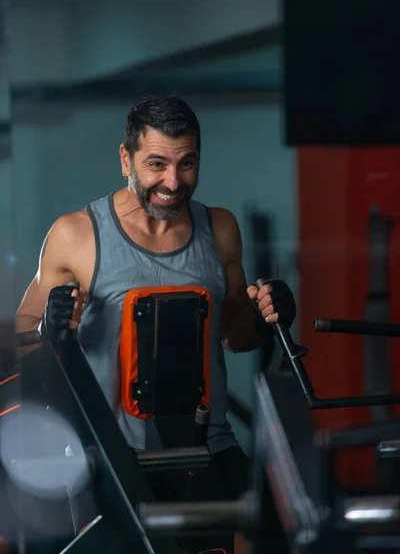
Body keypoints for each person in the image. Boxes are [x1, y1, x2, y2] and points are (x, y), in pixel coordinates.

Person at [16, 94, 296, 552]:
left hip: (206, 451)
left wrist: (271, 314)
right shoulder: (76, 234)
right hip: (111, 459)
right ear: (126, 157)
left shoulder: (219, 228)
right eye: (156, 164)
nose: (172, 181)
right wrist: (50, 325)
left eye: (187, 163)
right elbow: (21, 339)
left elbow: (236, 334)